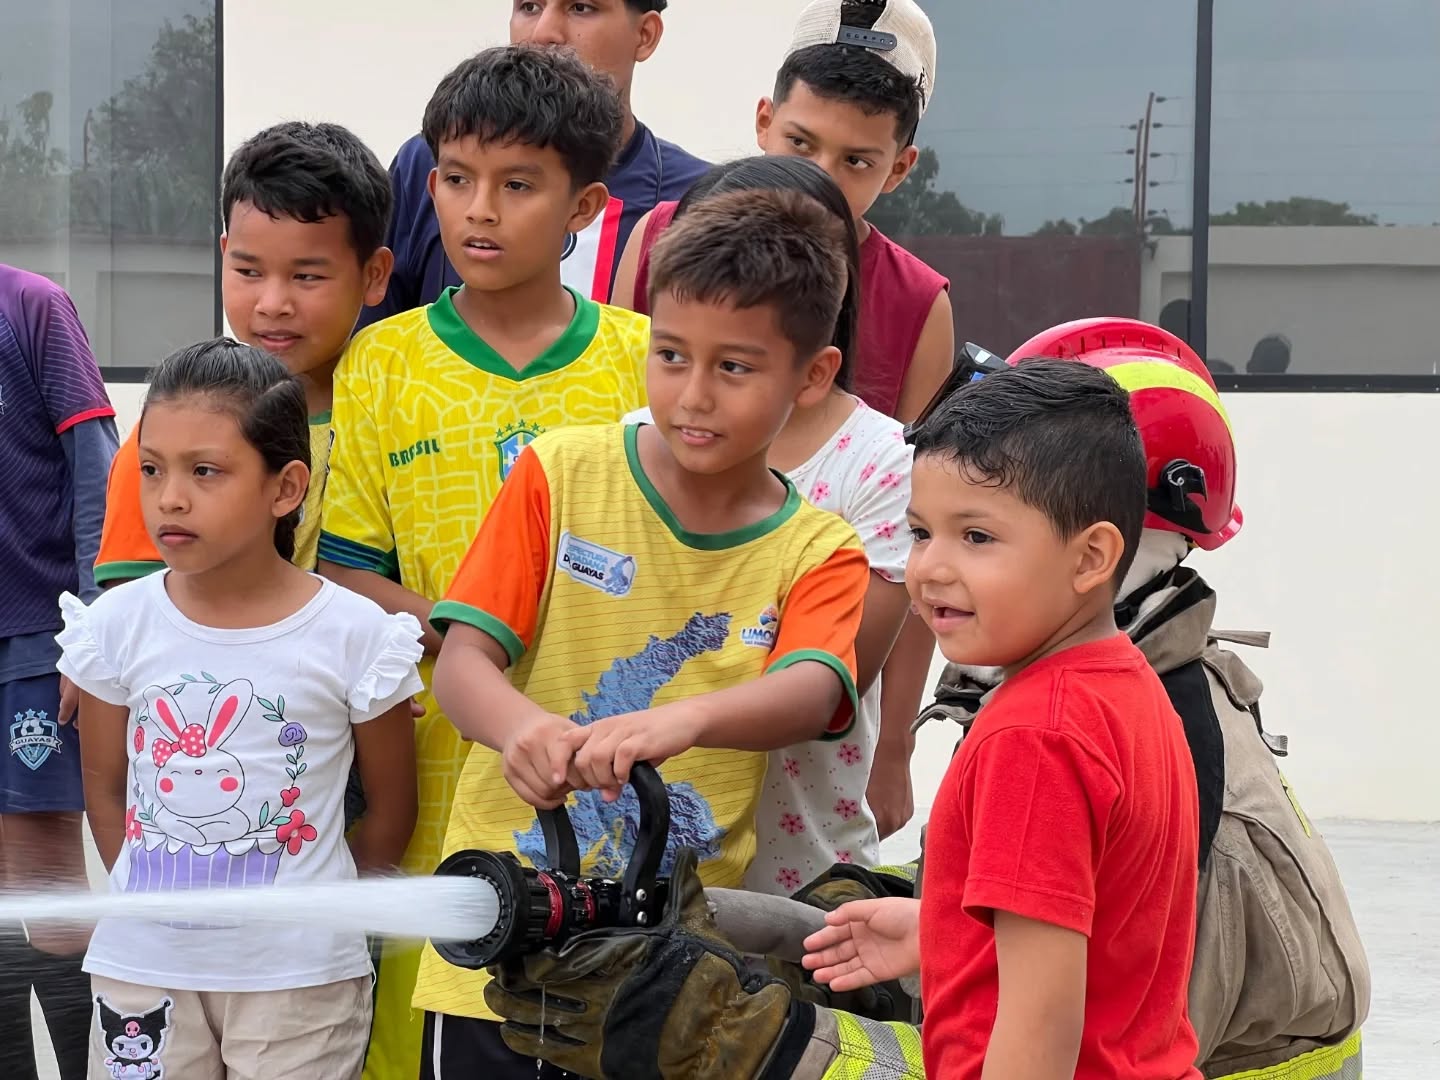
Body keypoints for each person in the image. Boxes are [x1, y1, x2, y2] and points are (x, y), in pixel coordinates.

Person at [481, 320, 1369, 1080]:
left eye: (976, 536)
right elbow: (1106, 936)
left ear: (1095, 556)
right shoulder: (1140, 689)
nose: (930, 568)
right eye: (918, 531)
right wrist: (947, 930)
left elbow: (1040, 1033)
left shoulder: (1034, 735)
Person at [411, 187, 873, 1077]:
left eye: (734, 367)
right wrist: (522, 730)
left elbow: (814, 692)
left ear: (813, 376)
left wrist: (683, 721)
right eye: (670, 355)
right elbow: (464, 664)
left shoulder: (819, 548)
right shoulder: (559, 473)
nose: (692, 395)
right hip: (497, 971)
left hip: (669, 1000)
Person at [316, 44, 652, 1080]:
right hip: (429, 761)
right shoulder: (384, 360)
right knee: (427, 1029)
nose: (480, 211)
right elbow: (345, 571)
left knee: (601, 1016)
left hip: (601, 755)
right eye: (457, 179)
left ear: (585, 205)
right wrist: (476, 646)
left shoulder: (642, 361)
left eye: (517, 185)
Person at [613, 0, 952, 806]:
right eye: (802, 144)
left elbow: (919, 551)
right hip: (643, 694)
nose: (822, 179)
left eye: (856, 160)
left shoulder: (919, 304)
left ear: (899, 167)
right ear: (764, 121)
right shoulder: (662, 237)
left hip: (808, 743)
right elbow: (624, 440)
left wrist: (896, 746)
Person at [56, 339, 422, 1079]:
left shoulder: (357, 634)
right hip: (143, 972)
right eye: (151, 469)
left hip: (301, 982)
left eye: (205, 471)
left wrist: (318, 922)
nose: (170, 498)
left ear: (285, 488)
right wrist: (162, 914)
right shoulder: (116, 625)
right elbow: (105, 788)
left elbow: (391, 810)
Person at [623, 155, 914, 893]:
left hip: (798, 850)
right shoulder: (631, 442)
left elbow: (842, 674)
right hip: (633, 841)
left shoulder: (879, 462)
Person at [93, 120, 396, 586]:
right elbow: (133, 601)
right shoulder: (171, 432)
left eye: (307, 277)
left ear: (374, 274)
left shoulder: (399, 415)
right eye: (249, 271)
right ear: (224, 254)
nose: (272, 304)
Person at [360, 0, 708, 325]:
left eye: (580, 8)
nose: (543, 33)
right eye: (529, 6)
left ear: (645, 35)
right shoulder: (425, 160)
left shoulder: (699, 199)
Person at [0, 265, 118, 1080]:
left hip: (37, 639)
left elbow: (97, 470)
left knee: (46, 895)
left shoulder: (31, 306)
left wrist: (89, 634)